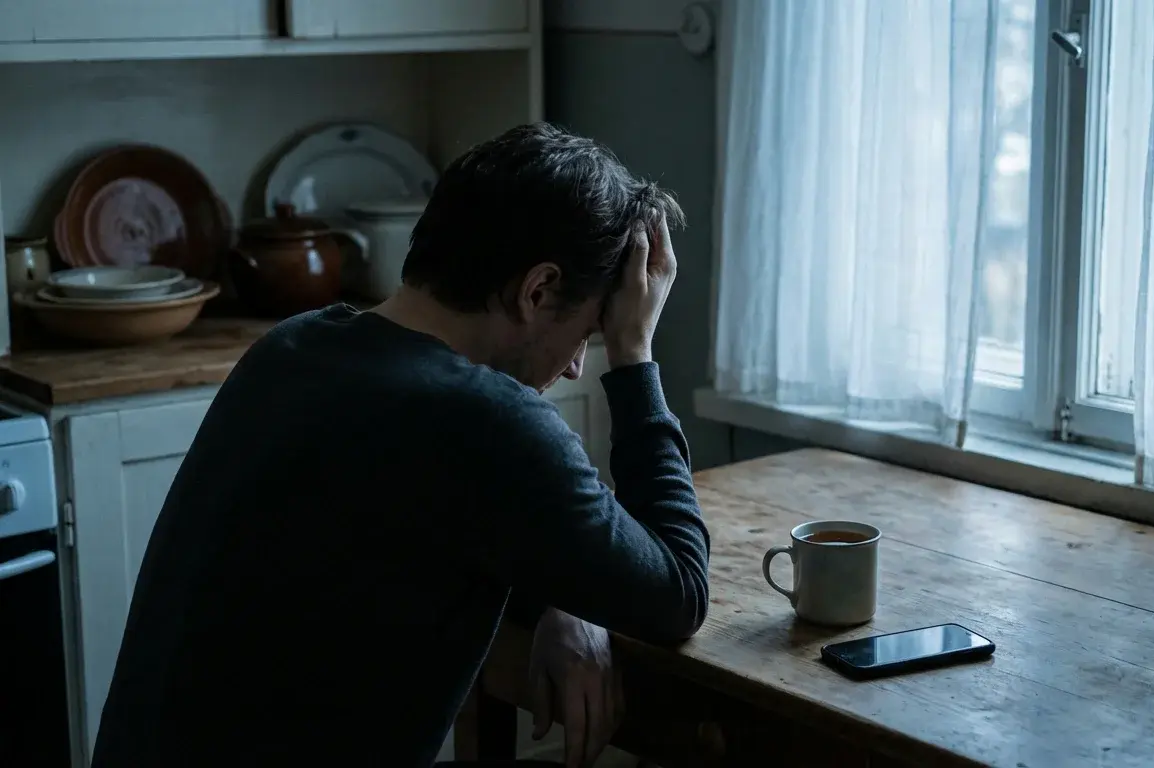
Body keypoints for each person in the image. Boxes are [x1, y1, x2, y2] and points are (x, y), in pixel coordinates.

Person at [90, 123, 711, 768]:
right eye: (587, 335)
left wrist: (565, 593)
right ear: (538, 291)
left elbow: (423, 526)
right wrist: (635, 355)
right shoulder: (489, 421)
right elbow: (681, 594)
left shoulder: (295, 348)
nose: (578, 366)